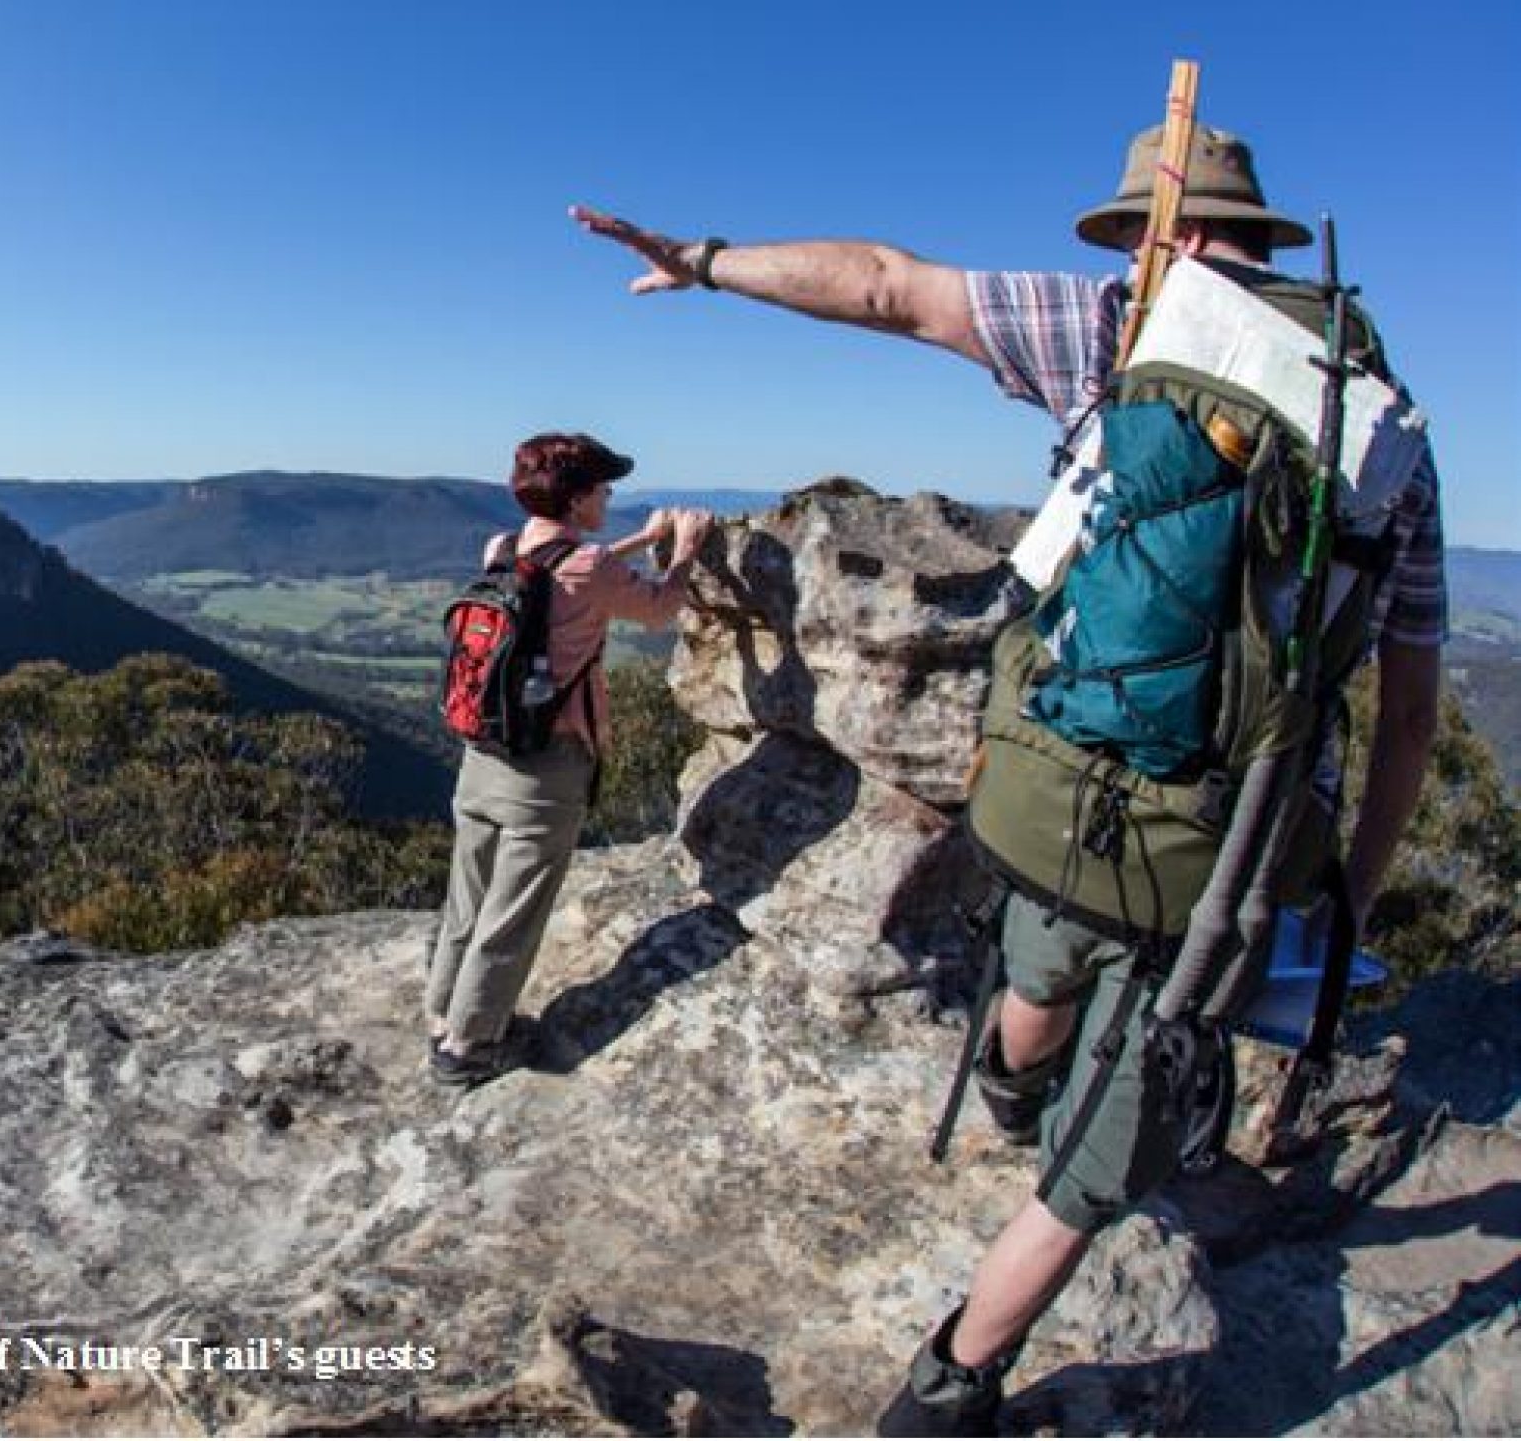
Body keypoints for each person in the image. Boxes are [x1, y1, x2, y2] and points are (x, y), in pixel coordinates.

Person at [574, 122, 1445, 1435]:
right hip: (1214, 848)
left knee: (1038, 973)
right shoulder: (1376, 431)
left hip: (1038, 790)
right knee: (1092, 1179)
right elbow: (1410, 712)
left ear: (1153, 232)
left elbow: (883, 281)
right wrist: (1347, 904)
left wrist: (703, 261)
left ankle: (1007, 1084)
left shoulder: (1110, 326)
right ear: (1258, 239)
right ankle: (950, 1385)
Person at [425, 432, 714, 1089]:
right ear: (580, 497)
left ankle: (442, 1013)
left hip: (481, 759)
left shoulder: (503, 550)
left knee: (468, 897)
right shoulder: (587, 567)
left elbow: (573, 573)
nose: (609, 496)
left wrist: (641, 541)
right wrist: (685, 552)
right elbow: (659, 610)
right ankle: (468, 1047)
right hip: (546, 769)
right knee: (515, 910)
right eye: (602, 488)